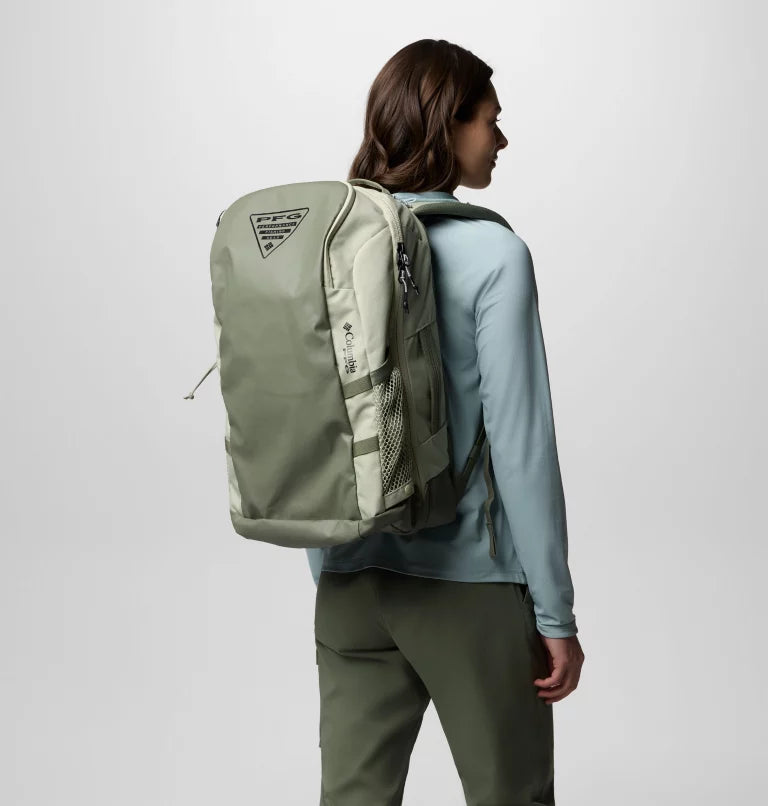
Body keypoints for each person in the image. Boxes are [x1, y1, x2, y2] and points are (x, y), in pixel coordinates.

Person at [306, 38, 585, 806]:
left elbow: (316, 419)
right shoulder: (494, 253)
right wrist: (554, 613)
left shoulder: (325, 245)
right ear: (446, 123)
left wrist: (334, 562)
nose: (501, 139)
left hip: (349, 581)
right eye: (490, 120)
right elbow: (523, 446)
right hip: (469, 587)